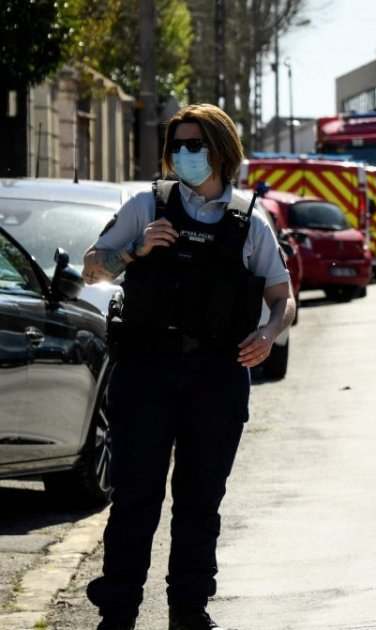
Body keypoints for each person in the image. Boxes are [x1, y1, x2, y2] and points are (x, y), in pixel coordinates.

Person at [82, 104, 296, 630]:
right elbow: (92, 267)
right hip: (146, 373)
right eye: (177, 144)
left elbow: (282, 295)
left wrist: (269, 335)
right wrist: (135, 249)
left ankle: (189, 609)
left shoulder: (250, 220)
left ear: (221, 151)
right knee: (135, 497)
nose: (183, 154)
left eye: (194, 145)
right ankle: (118, 612)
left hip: (217, 378)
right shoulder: (145, 205)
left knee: (201, 501)